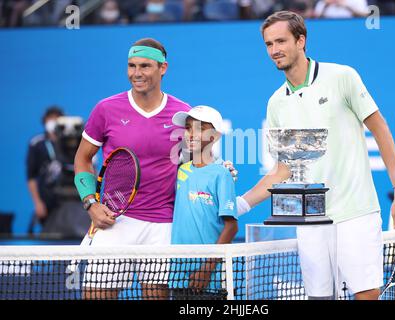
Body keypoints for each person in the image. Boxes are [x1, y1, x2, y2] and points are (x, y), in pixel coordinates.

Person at [236, 11, 395, 300]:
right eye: (268, 44)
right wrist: (239, 205)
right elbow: (284, 170)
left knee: (366, 295)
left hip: (355, 211)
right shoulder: (276, 103)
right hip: (311, 220)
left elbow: (380, 130)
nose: (274, 50)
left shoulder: (342, 76)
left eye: (281, 41)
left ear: (301, 40)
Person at [74, 38, 236, 300]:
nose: (136, 73)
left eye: (145, 66)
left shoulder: (182, 113)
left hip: (163, 226)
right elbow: (82, 159)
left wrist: (220, 168)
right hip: (114, 221)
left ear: (163, 68)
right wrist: (90, 203)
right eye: (131, 66)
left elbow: (196, 160)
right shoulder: (106, 109)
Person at [169, 105, 238, 299]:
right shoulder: (180, 171)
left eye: (200, 129)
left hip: (210, 281)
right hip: (178, 276)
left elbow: (231, 227)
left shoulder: (222, 173)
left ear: (215, 136)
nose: (191, 134)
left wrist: (206, 270)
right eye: (189, 128)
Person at [26, 106, 64, 234]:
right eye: (50, 119)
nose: (53, 122)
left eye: (56, 118)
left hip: (68, 200)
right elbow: (31, 177)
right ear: (45, 121)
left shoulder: (71, 142)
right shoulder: (37, 143)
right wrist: (38, 203)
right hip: (46, 201)